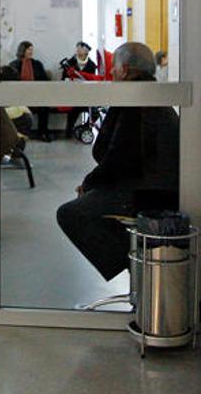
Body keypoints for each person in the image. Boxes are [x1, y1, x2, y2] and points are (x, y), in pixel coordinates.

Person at [56, 42, 178, 281]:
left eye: (113, 68)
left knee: (71, 214)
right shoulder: (152, 95)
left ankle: (138, 266)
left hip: (148, 192)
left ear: (124, 69)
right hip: (154, 184)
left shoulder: (134, 101)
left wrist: (89, 184)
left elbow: (120, 157)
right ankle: (141, 263)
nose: (110, 73)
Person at [9, 41, 52, 142]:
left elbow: (44, 80)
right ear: (23, 50)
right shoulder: (14, 64)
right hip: (19, 96)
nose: (31, 51)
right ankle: (17, 134)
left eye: (32, 49)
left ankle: (42, 133)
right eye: (29, 49)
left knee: (44, 107)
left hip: (36, 95)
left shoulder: (37, 64)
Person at [61, 42, 98, 138]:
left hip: (86, 95)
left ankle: (85, 128)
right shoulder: (69, 63)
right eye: (77, 48)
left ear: (87, 51)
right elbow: (63, 80)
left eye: (81, 48)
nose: (78, 50)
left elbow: (92, 81)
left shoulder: (92, 65)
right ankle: (69, 131)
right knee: (73, 109)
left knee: (95, 111)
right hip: (72, 95)